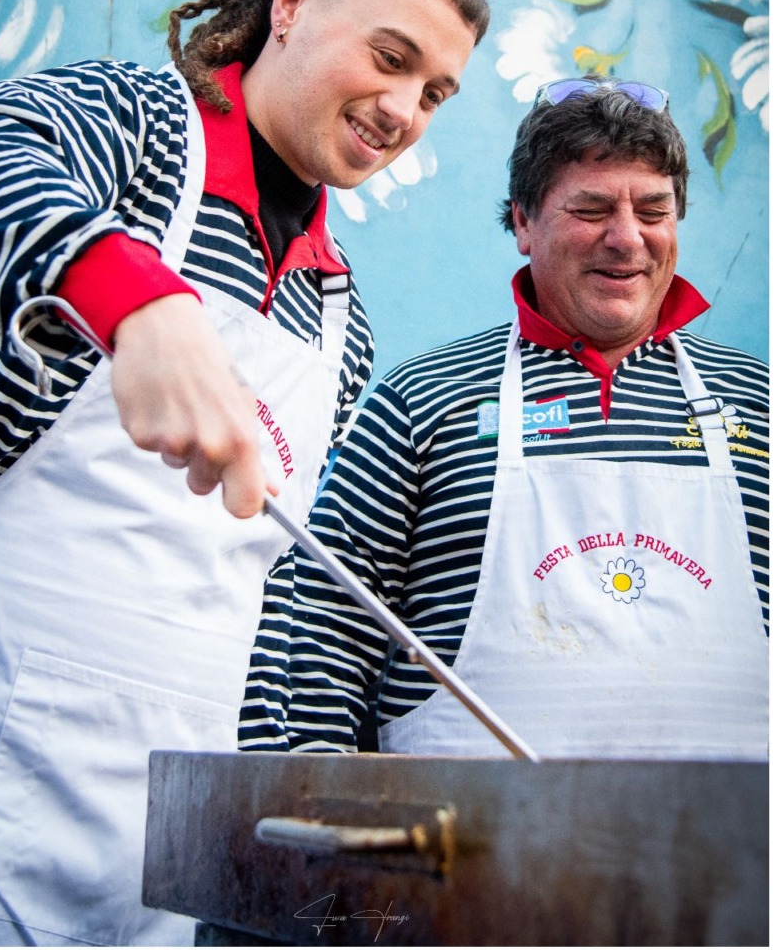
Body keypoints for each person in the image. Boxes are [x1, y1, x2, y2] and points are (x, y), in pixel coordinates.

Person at [0, 0, 490, 946]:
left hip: (155, 853)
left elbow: (261, 595)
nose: (402, 108)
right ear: (290, 0)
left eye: (433, 91)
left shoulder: (342, 315)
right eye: (389, 55)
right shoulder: (133, 131)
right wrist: (135, 298)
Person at [240, 77, 768, 761]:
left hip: (732, 857)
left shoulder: (758, 400)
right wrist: (313, 802)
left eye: (652, 210)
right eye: (591, 208)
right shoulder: (421, 402)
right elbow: (317, 624)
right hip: (458, 852)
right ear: (521, 221)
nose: (626, 239)